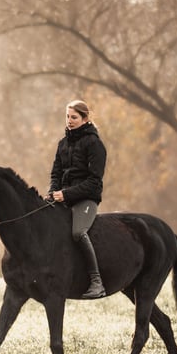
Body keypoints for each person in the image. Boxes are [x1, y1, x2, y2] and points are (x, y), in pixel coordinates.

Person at [46, 99, 107, 299]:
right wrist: (54, 192)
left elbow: (94, 180)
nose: (69, 121)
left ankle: (96, 282)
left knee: (78, 232)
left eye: (74, 117)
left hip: (86, 199)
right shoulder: (62, 144)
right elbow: (56, 173)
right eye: (67, 116)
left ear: (85, 119)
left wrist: (67, 194)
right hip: (64, 198)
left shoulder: (95, 144)